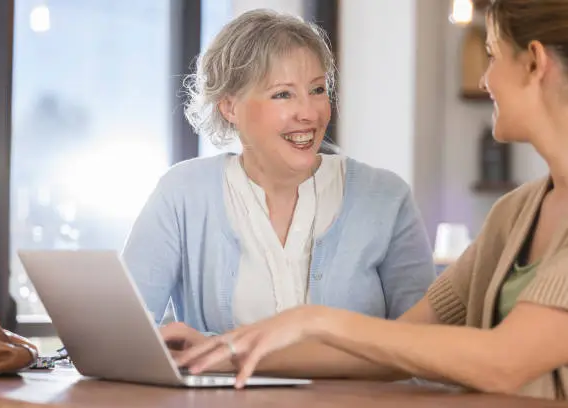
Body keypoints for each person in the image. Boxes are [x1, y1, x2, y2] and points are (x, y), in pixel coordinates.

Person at [177, 0, 568, 400]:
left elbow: (504, 362)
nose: (485, 80)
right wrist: (228, 354)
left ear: (534, 62)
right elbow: (402, 344)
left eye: (492, 56)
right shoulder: (514, 214)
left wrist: (316, 319)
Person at [122, 9, 435, 351]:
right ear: (230, 107)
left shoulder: (386, 198)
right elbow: (122, 330)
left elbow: (425, 348)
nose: (310, 113)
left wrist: (222, 348)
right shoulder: (182, 193)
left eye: (317, 89)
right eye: (283, 94)